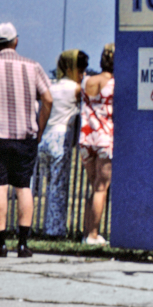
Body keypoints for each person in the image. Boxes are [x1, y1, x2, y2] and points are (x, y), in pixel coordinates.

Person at [0, 22, 53, 258]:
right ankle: (23, 244)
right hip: (25, 136)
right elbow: (48, 99)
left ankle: (0, 243)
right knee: (23, 186)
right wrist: (39, 127)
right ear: (16, 41)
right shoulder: (33, 66)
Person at [38, 50, 87, 237]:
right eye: (80, 70)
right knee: (59, 188)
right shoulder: (76, 89)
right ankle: (54, 229)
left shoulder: (52, 87)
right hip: (61, 138)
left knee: (49, 186)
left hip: (45, 138)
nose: (83, 74)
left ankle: (45, 225)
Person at [79, 44, 114, 245]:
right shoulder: (114, 84)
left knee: (93, 187)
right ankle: (93, 234)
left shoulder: (86, 82)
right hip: (104, 137)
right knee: (101, 188)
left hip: (86, 137)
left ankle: (86, 233)